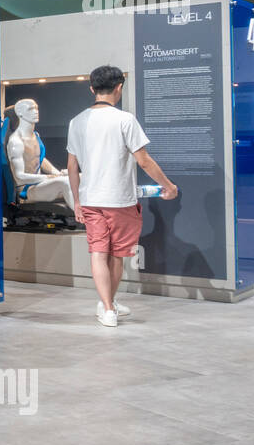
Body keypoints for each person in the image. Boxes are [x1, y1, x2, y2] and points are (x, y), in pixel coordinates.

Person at [66, 65, 177, 327]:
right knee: (115, 255)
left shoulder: (76, 121)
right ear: (119, 88)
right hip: (119, 200)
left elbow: (72, 166)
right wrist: (169, 186)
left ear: (92, 89)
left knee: (97, 252)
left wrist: (77, 202)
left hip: (90, 199)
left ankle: (107, 307)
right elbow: (144, 161)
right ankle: (108, 307)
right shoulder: (124, 119)